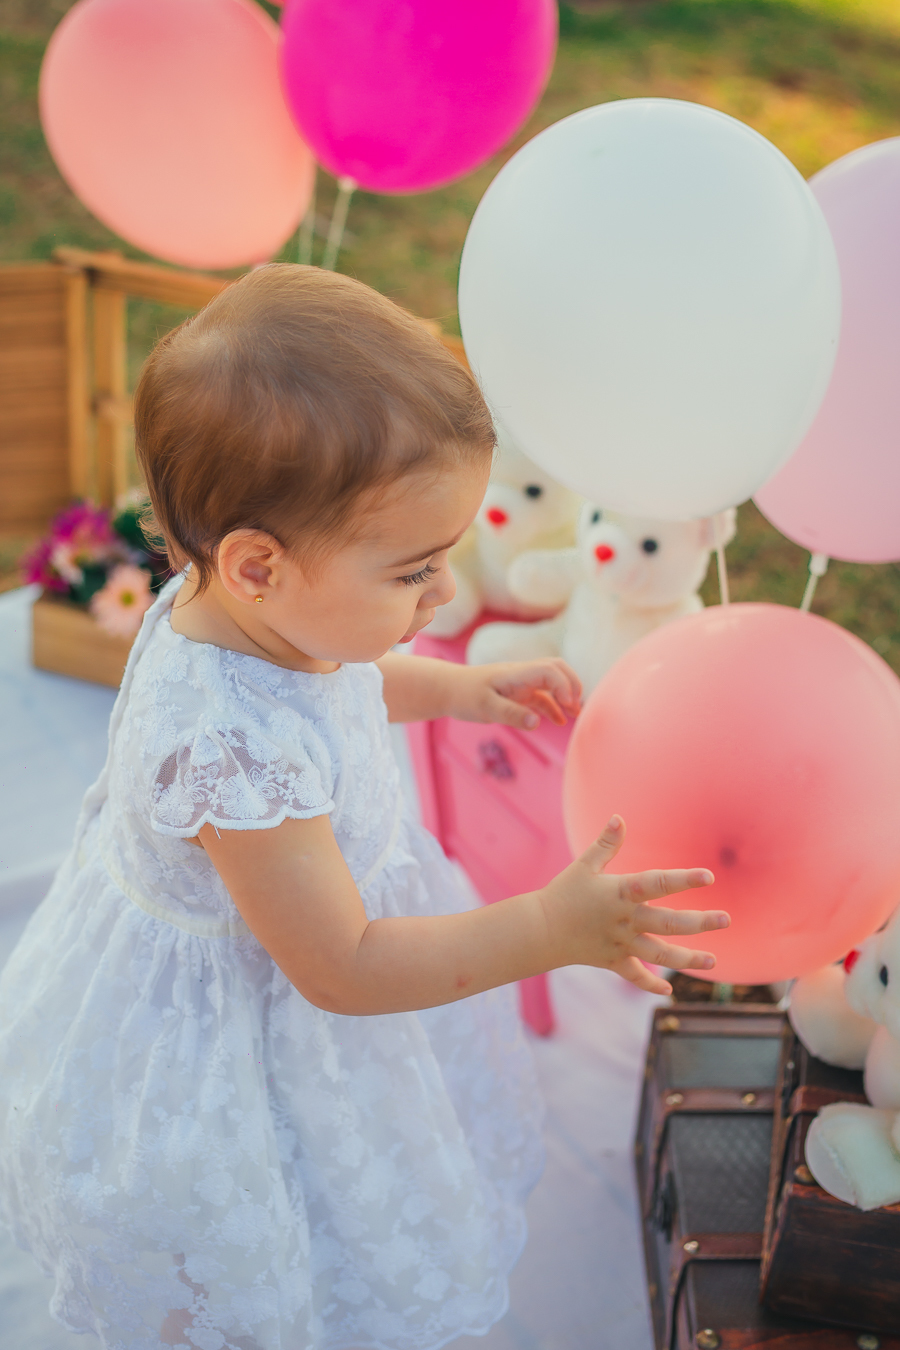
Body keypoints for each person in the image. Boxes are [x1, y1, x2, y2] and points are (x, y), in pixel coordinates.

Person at [0, 266, 728, 1350]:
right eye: (412, 573)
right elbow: (341, 967)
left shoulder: (249, 609)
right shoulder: (229, 752)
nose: (442, 597)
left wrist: (456, 684)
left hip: (314, 952)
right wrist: (546, 929)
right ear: (257, 564)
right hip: (257, 1026)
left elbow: (334, 686)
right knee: (278, 1235)